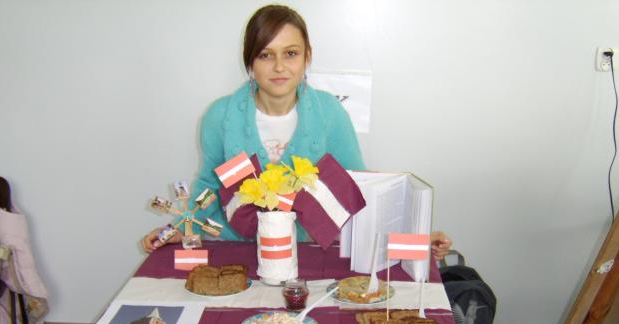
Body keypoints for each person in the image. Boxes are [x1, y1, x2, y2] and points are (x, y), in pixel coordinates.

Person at [142, 4, 451, 260]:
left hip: (311, 252)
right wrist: (178, 230)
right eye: (265, 55)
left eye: (290, 53)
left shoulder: (329, 113)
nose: (279, 66)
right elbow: (208, 187)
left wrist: (412, 240)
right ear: (250, 61)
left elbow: (357, 190)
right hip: (237, 250)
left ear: (307, 57)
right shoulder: (219, 116)